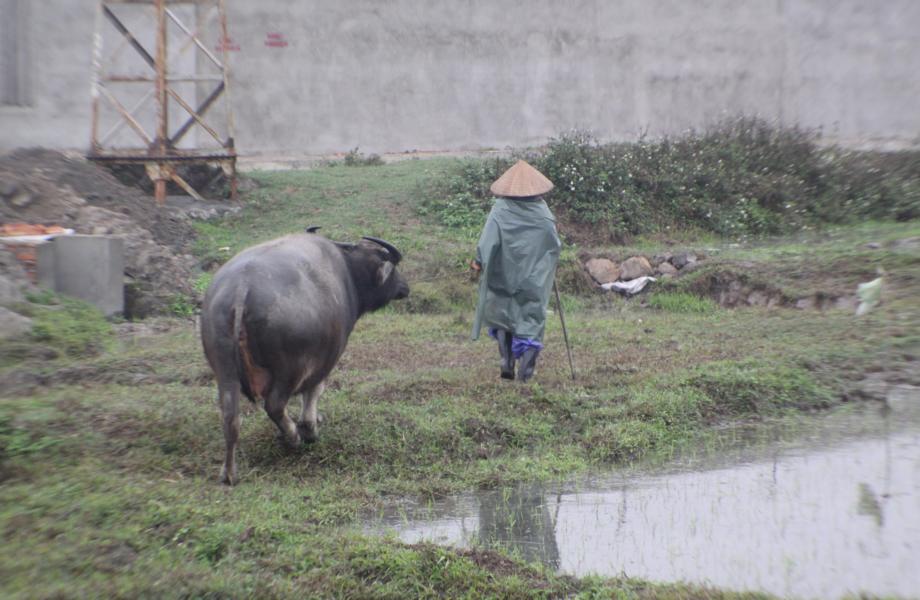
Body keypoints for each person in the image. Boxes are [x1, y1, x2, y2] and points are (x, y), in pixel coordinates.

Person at [471, 160, 561, 382]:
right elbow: (554, 244)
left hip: (503, 273)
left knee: (503, 314)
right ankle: (525, 373)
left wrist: (479, 260)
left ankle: (506, 361)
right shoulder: (542, 212)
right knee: (532, 317)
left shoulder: (500, 209)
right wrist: (549, 262)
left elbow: (487, 240)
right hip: (534, 276)